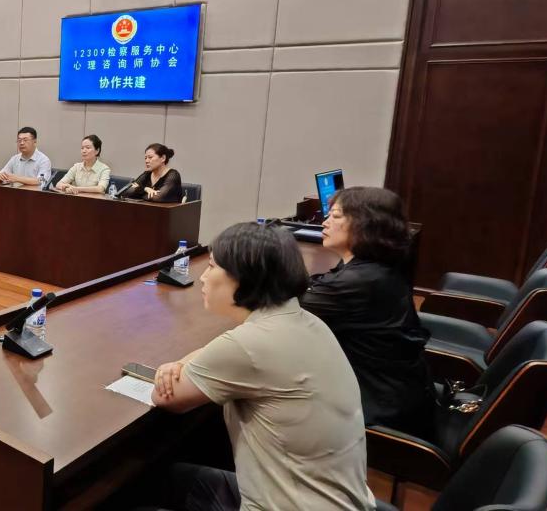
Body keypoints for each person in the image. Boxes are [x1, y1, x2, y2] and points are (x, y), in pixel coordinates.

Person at [149, 222, 375, 511]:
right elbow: (219, 351)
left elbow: (165, 397)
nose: (203, 277)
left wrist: (175, 365)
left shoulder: (247, 345)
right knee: (173, 477)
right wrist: (182, 362)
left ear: (244, 278)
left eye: (212, 266)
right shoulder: (308, 322)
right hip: (337, 501)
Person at [299, 186, 434, 435]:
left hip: (376, 408)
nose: (325, 222)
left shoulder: (358, 281)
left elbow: (286, 309)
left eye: (335, 216)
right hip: (401, 391)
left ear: (364, 224)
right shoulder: (377, 265)